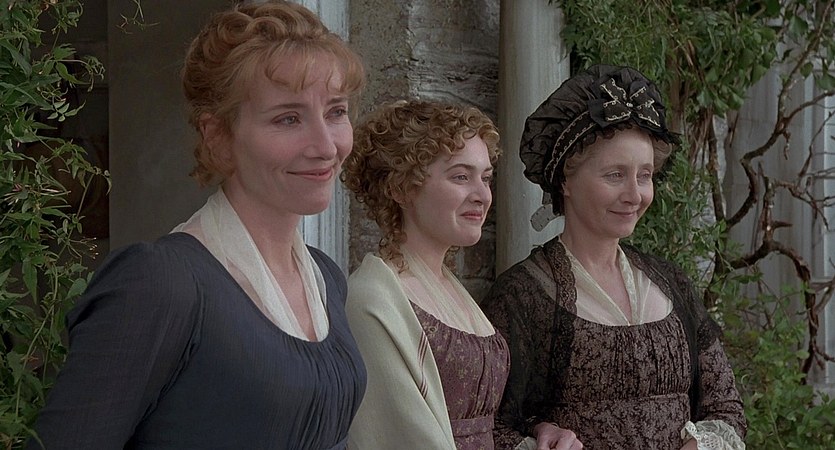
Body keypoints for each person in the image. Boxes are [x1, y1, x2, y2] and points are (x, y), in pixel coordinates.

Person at [28, 2, 366, 449]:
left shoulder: (326, 279)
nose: (325, 146)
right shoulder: (162, 283)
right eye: (288, 118)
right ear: (218, 136)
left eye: (336, 112)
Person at [481, 64, 747, 450]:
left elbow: (725, 408)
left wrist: (701, 445)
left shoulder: (671, 282)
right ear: (565, 180)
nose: (635, 195)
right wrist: (540, 436)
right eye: (615, 175)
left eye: (644, 175)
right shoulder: (522, 296)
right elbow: (490, 427)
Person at [341, 100, 508, 449]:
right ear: (401, 188)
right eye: (461, 176)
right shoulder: (372, 300)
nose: (482, 195)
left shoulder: (450, 289)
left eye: (486, 178)